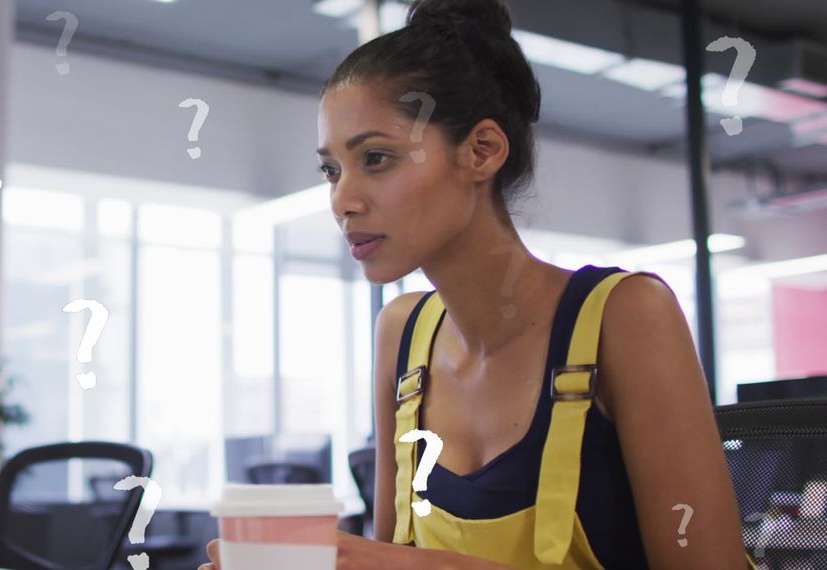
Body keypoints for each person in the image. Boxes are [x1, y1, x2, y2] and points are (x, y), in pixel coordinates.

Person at [201, 0, 754, 567]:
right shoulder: (403, 333)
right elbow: (393, 555)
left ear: (481, 151)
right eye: (330, 170)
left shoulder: (626, 316)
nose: (342, 200)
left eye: (377, 158)